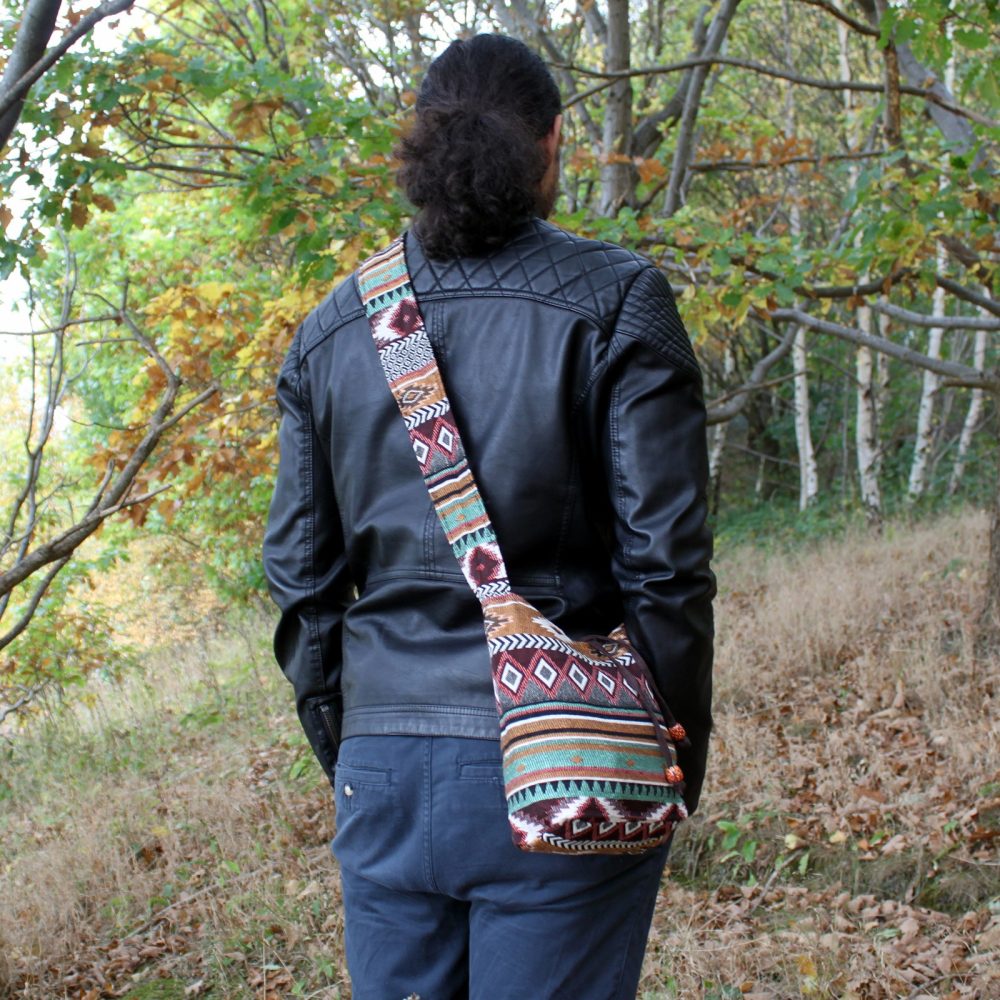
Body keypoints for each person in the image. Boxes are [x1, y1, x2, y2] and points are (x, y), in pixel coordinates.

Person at [262, 32, 715, 1000]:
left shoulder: (330, 328)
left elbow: (301, 578)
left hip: (381, 764)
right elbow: (665, 568)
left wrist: (352, 743)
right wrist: (671, 741)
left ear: (417, 144)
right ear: (555, 140)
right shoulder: (619, 298)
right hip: (561, 755)